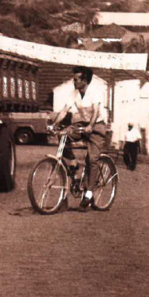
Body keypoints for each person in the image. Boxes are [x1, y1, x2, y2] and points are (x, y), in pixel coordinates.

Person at [48, 66, 108, 208]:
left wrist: (90, 126)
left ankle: (88, 194)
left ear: (84, 80)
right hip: (82, 124)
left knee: (92, 160)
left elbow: (95, 111)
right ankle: (73, 163)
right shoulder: (74, 93)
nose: (74, 81)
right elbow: (64, 111)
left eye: (76, 79)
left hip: (97, 125)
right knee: (64, 135)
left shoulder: (95, 92)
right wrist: (54, 125)